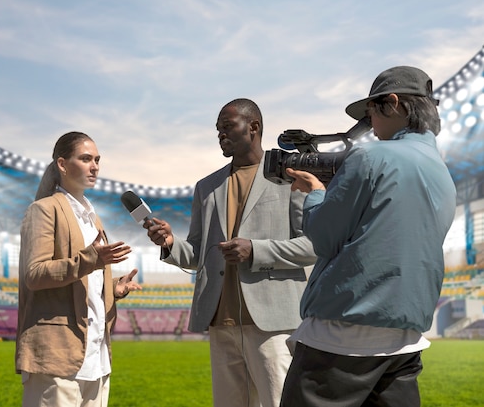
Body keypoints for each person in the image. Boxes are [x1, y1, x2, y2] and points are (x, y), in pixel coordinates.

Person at [280, 66, 457, 407]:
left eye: (370, 113)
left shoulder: (370, 156)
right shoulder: (443, 174)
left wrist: (315, 193)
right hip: (405, 339)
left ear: (392, 103)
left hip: (343, 334)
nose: (370, 127)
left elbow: (323, 237)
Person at [143, 98, 316, 407]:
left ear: (254, 127)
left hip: (274, 322)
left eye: (227, 127)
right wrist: (169, 243)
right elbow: (198, 254)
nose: (220, 134)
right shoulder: (206, 187)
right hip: (220, 321)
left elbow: (312, 246)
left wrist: (256, 251)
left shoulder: (292, 175)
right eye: (217, 129)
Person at [15, 131, 142, 407]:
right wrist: (91, 260)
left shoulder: (93, 218)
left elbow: (83, 281)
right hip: (57, 355)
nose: (95, 166)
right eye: (86, 159)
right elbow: (34, 274)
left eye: (97, 159)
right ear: (62, 164)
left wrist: (113, 289)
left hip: (96, 356)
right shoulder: (43, 210)